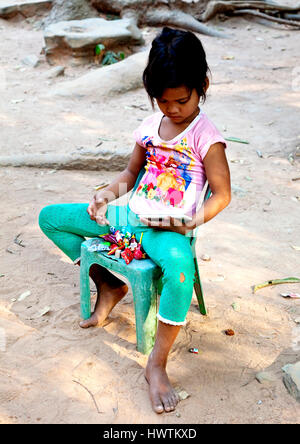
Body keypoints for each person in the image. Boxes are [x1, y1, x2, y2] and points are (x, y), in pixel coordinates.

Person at [39, 27, 231, 414]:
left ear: (203, 85)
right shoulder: (149, 127)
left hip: (167, 229)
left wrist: (191, 220)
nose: (173, 109)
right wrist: (107, 194)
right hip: (127, 219)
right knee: (51, 219)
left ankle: (156, 364)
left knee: (179, 272)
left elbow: (222, 194)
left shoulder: (207, 139)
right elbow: (129, 174)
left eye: (182, 99)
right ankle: (109, 286)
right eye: (163, 101)